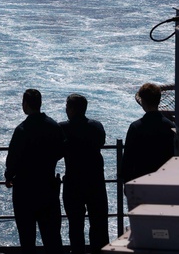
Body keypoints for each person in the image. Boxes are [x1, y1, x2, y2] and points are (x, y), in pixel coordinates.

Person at [5, 88, 65, 254]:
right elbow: (61, 151)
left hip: (24, 191)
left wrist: (9, 177)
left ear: (25, 104)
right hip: (48, 188)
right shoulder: (54, 126)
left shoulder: (22, 130)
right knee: (52, 238)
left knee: (27, 238)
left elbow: (13, 159)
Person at [59, 94, 109, 254]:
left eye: (67, 106)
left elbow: (58, 151)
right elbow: (101, 142)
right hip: (95, 182)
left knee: (75, 226)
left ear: (72, 109)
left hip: (73, 182)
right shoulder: (97, 127)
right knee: (99, 224)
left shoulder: (63, 128)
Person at [119, 83, 175, 184]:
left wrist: (125, 180)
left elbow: (128, 158)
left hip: (141, 180)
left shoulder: (135, 127)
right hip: (165, 180)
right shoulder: (171, 126)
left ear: (143, 102)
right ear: (159, 101)